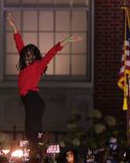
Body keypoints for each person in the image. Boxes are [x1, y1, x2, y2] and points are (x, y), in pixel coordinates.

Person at [7, 13, 81, 144]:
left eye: (30, 55)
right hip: (28, 100)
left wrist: (66, 41)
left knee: (33, 129)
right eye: (26, 55)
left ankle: (38, 148)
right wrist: (14, 27)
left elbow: (51, 53)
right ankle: (35, 147)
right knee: (29, 128)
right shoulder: (25, 65)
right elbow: (19, 44)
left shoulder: (38, 65)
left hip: (33, 99)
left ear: (35, 57)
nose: (27, 57)